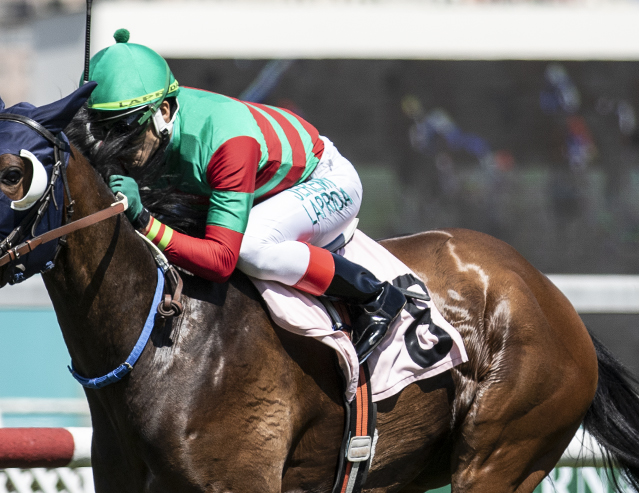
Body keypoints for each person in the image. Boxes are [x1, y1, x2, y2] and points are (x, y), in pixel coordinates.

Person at [83, 29, 407, 362]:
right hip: (262, 191)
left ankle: (374, 296)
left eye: (124, 129)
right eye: (102, 129)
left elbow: (221, 261)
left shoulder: (225, 144)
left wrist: (144, 221)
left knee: (250, 247)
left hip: (325, 181)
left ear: (163, 112)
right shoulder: (153, 121)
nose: (114, 144)